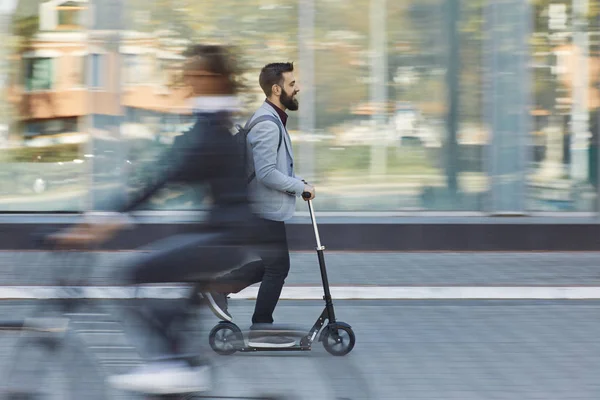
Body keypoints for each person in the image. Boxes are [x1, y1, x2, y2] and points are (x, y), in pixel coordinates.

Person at [51, 44, 255, 395]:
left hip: (227, 239)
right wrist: (106, 218)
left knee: (133, 272)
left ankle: (173, 363)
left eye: (196, 75)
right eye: (187, 75)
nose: (188, 82)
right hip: (226, 236)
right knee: (168, 294)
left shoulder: (212, 128)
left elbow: (164, 177)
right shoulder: (217, 123)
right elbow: (168, 174)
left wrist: (104, 222)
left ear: (215, 80)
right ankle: (181, 365)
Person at [203, 62, 315, 348]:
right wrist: (299, 187)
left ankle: (222, 288)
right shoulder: (267, 123)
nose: (297, 87)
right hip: (264, 208)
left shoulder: (272, 118)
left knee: (274, 265)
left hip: (265, 207)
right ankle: (261, 324)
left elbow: (270, 167)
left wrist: (297, 182)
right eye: (292, 84)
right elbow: (266, 173)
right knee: (278, 267)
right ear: (276, 89)